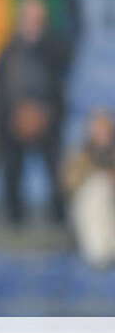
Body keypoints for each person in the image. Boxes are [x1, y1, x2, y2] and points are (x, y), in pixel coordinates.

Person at [0, 0, 71, 227]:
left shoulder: (54, 46)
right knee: (11, 166)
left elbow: (58, 85)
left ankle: (59, 219)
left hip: (47, 118)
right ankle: (14, 220)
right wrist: (12, 115)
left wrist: (43, 113)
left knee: (55, 168)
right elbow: (0, 87)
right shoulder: (8, 48)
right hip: (13, 118)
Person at [64, 109, 115, 268]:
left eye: (104, 128)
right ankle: (98, 252)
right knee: (95, 193)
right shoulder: (81, 152)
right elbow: (70, 181)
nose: (101, 133)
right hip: (91, 201)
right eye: (97, 128)